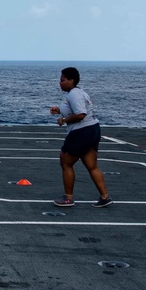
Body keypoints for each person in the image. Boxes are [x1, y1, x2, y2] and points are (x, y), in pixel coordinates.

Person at [49, 67, 112, 208]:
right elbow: (78, 110)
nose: (60, 83)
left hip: (82, 131)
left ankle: (68, 198)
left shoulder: (74, 94)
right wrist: (59, 110)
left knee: (66, 162)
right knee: (91, 165)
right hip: (93, 129)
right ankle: (104, 196)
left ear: (71, 80)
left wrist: (63, 120)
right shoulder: (78, 93)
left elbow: (80, 114)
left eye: (63, 80)